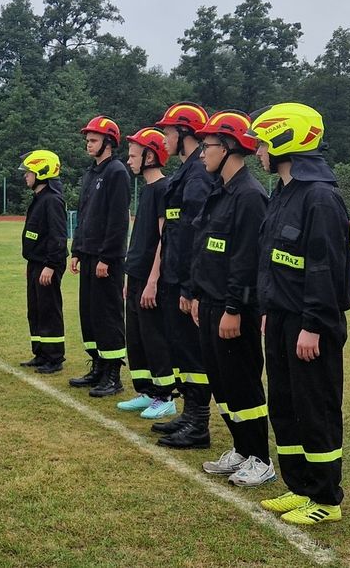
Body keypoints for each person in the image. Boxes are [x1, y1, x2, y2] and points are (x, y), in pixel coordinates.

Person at [249, 103, 350, 524]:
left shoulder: (320, 197)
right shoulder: (284, 192)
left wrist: (312, 324)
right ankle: (300, 486)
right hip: (280, 317)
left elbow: (326, 270)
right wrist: (267, 308)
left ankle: (326, 499)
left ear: (284, 141)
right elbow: (274, 259)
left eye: (262, 141)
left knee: (315, 408)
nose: (258, 150)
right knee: (286, 405)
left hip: (310, 324)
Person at [187, 110, 276, 488]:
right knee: (222, 383)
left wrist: (233, 308)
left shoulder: (250, 196)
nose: (202, 153)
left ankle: (260, 457)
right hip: (209, 304)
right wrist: (194, 294)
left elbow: (245, 260)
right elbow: (205, 249)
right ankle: (240, 449)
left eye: (207, 146)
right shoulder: (219, 193)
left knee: (242, 382)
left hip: (232, 309)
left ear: (228, 148)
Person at [152, 102, 215, 448]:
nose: (163, 139)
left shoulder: (198, 176)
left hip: (185, 281)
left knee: (192, 353)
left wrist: (190, 288)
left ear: (185, 133)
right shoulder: (185, 173)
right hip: (174, 277)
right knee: (180, 349)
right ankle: (191, 414)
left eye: (168, 132)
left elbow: (197, 237)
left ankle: (199, 423)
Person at [68, 115, 131, 397]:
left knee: (107, 315)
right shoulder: (91, 174)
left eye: (93, 140)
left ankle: (113, 374)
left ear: (108, 142)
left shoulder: (117, 172)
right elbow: (84, 216)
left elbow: (118, 220)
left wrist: (107, 257)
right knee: (90, 314)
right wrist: (77, 251)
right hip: (89, 255)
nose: (88, 145)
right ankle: (97, 367)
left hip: (107, 259)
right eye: (87, 140)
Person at [116, 128, 176, 419]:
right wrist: (132, 280)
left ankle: (166, 395)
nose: (129, 161)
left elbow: (165, 239)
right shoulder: (147, 190)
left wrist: (153, 281)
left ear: (150, 156)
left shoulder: (165, 188)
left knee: (154, 336)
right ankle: (147, 391)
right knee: (137, 336)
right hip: (136, 276)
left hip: (152, 280)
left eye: (133, 155)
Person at [17, 149, 68, 374]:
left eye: (28, 172)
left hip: (48, 264)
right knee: (36, 308)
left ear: (41, 172)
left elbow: (58, 237)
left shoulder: (52, 200)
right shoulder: (39, 198)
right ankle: (40, 352)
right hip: (36, 263)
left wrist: (50, 265)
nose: (25, 176)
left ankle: (54, 357)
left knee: (49, 308)